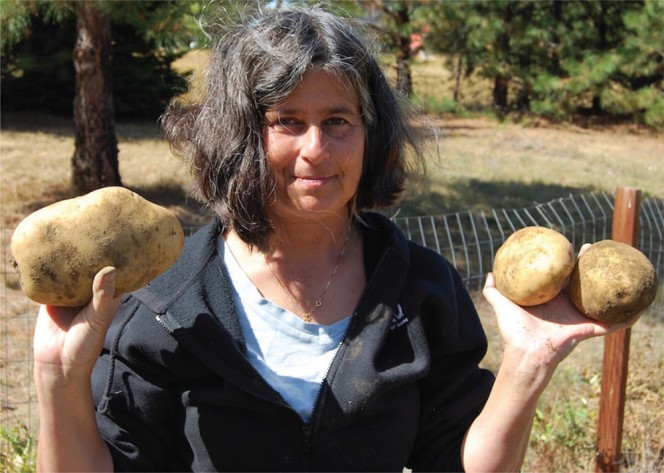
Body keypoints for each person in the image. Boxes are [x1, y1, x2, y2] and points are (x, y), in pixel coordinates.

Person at [33, 7, 641, 472]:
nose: (316, 151)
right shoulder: (164, 308)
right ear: (239, 135)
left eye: (338, 122)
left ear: (371, 136)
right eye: (287, 122)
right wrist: (58, 378)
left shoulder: (421, 290)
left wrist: (529, 363)